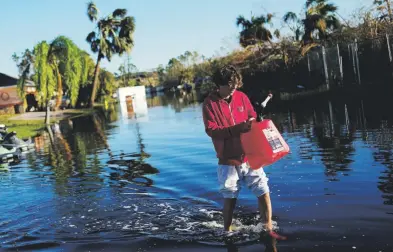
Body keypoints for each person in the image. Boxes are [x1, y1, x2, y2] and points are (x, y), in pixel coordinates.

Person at [202, 64, 285, 240]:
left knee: (263, 190)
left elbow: (251, 114)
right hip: (228, 160)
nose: (233, 90)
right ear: (219, 84)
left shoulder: (241, 97)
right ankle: (227, 231)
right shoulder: (209, 104)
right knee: (230, 197)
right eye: (230, 86)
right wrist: (237, 128)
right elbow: (212, 130)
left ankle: (268, 229)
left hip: (250, 156)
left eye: (235, 86)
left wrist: (254, 120)